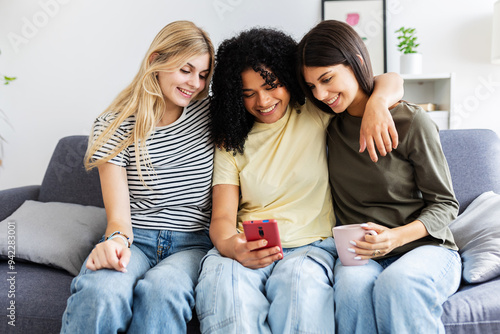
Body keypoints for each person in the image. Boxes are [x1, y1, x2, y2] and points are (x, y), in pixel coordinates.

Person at [194, 27, 403, 333]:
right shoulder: (231, 139)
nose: (262, 101)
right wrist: (232, 246)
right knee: (227, 297)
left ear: (287, 79)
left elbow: (391, 79)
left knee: (300, 294)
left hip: (310, 246)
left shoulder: (313, 111)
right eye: (248, 93)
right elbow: (223, 217)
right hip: (247, 245)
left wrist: (377, 104)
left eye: (271, 86)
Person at [298, 20, 462, 334]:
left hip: (424, 248)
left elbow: (446, 205)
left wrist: (396, 237)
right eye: (312, 86)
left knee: (397, 284)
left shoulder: (412, 122)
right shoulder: (329, 125)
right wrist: (376, 100)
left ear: (357, 61)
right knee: (349, 288)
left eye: (327, 78)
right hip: (362, 252)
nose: (321, 93)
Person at [60, 20, 215, 333]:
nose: (195, 83)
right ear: (155, 60)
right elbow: (119, 219)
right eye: (186, 70)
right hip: (137, 240)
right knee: (102, 291)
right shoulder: (113, 124)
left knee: (163, 291)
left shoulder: (211, 114)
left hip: (193, 244)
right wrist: (115, 241)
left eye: (202, 74)